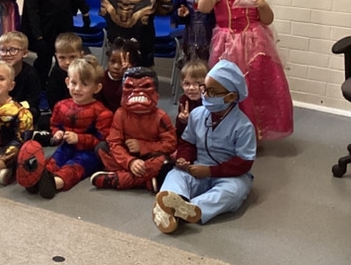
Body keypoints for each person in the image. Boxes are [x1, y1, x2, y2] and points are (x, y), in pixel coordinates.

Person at [197, 0, 293, 141]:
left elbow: (267, 20)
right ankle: (227, 130)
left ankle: (254, 131)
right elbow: (204, 7)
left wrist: (262, 5)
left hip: (256, 46)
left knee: (256, 87)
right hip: (227, 45)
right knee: (227, 85)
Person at [152, 59, 256, 233]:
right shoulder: (197, 114)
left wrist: (210, 171)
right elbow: (187, 142)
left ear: (230, 97)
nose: (205, 95)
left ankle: (187, 208)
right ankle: (173, 202)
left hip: (230, 175)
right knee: (175, 175)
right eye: (204, 89)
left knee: (234, 192)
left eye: (212, 92)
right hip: (197, 166)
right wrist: (184, 158)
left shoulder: (243, 126)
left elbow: (244, 163)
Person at [16, 56, 113, 199]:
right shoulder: (61, 106)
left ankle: (54, 183)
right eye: (74, 83)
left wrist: (79, 138)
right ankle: (35, 179)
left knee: (74, 168)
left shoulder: (103, 113)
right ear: (67, 82)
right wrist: (58, 133)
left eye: (84, 85)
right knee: (53, 162)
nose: (77, 89)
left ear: (96, 88)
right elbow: (55, 125)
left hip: (89, 153)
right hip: (66, 146)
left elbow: (102, 142)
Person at [91, 66, 177, 190]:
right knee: (102, 149)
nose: (137, 91)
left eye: (145, 86)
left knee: (164, 161)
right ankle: (145, 181)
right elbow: (114, 142)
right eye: (130, 87)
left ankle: (120, 179)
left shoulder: (161, 117)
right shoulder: (120, 114)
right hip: (127, 157)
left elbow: (170, 144)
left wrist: (143, 146)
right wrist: (130, 162)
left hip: (150, 158)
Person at [0, 30, 42, 124]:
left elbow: (33, 100)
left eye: (13, 50)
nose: (7, 54)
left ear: (24, 53)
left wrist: (13, 108)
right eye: (3, 50)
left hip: (21, 108)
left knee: (33, 112)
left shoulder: (30, 73)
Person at [99, 36, 141, 113]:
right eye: (112, 61)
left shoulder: (133, 81)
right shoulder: (102, 77)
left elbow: (127, 100)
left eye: (121, 63)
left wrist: (127, 76)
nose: (116, 67)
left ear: (132, 64)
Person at [45, 32, 84, 112]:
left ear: (81, 55)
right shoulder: (55, 75)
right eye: (62, 57)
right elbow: (53, 101)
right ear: (56, 56)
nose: (67, 62)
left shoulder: (88, 72)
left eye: (72, 57)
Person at [175, 58, 206, 140]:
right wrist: (183, 122)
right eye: (187, 84)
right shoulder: (183, 100)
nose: (191, 88)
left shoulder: (210, 102)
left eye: (198, 83)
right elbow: (179, 132)